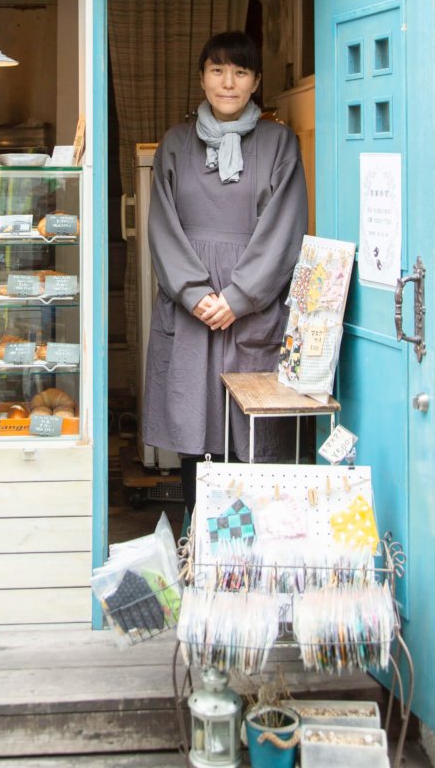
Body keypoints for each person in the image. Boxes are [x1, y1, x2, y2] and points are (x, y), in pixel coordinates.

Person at [143, 30, 308, 512]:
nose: (228, 82)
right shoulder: (175, 144)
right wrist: (194, 293)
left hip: (251, 308)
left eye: (240, 72)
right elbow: (163, 225)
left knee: (252, 433)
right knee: (196, 436)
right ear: (201, 78)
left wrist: (238, 298)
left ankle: (250, 561)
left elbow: (284, 228)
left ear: (256, 81)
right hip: (191, 307)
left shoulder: (280, 143)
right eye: (217, 70)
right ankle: (202, 550)